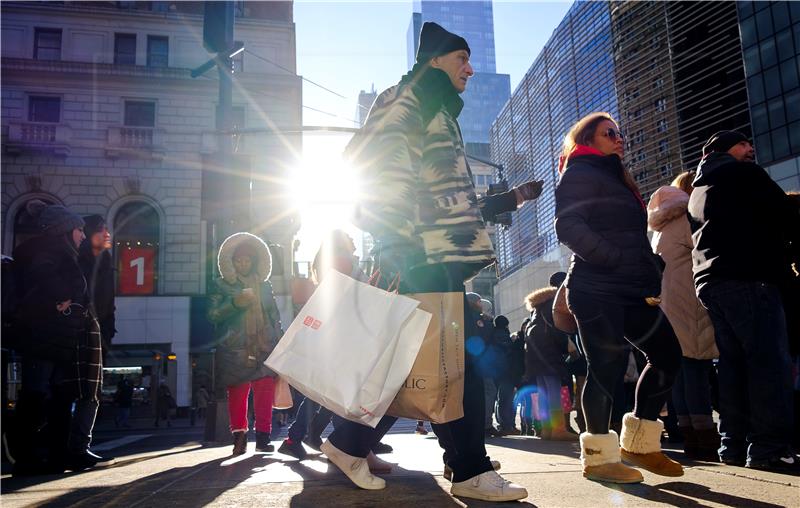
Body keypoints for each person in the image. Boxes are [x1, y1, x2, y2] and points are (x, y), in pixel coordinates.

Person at [325, 22, 544, 501]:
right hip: (419, 252)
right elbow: (378, 168)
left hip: (429, 250)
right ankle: (468, 466)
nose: (470, 68)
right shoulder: (409, 98)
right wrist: (397, 241)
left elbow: (443, 199)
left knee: (417, 359)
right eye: (461, 58)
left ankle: (349, 441)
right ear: (434, 60)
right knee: (452, 355)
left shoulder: (436, 109)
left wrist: (504, 202)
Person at [555, 112, 684, 484]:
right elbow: (567, 225)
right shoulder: (579, 171)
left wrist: (649, 269)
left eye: (619, 132)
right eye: (609, 132)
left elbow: (630, 235)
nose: (618, 137)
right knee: (606, 369)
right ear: (587, 139)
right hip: (595, 290)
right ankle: (597, 458)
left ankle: (641, 444)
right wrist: (612, 258)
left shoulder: (618, 178)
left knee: (667, 355)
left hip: (631, 291)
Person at [687, 131, 800, 471]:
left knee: (733, 367)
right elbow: (786, 216)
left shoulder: (698, 190)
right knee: (768, 365)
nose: (750, 148)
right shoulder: (743, 173)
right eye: (742, 144)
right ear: (723, 150)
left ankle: (732, 446)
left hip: (712, 283)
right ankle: (769, 448)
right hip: (751, 276)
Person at [11, 200, 113, 473]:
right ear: (65, 230)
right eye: (78, 230)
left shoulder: (61, 251)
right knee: (38, 394)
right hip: (44, 337)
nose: (82, 235)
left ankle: (54, 456)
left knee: (57, 395)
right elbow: (42, 274)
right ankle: (29, 457)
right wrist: (62, 297)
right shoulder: (51, 250)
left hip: (56, 338)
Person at [647, 172, 720, 460]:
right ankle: (705, 436)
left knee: (681, 372)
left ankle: (690, 435)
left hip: (669, 303)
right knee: (698, 368)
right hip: (690, 299)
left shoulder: (661, 228)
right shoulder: (688, 220)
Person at [207, 232, 283, 455]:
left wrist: (279, 344)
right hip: (235, 348)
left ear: (255, 260)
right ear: (230, 262)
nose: (243, 264)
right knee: (238, 394)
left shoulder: (265, 285)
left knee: (264, 391)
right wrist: (235, 303)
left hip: (264, 345)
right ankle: (239, 439)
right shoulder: (220, 285)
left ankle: (263, 438)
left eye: (247, 260)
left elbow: (274, 317)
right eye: (238, 260)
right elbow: (212, 315)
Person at [522, 281, 577, 442]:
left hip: (536, 361)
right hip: (550, 359)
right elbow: (559, 333)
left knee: (544, 394)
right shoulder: (550, 310)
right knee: (554, 394)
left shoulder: (536, 314)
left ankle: (547, 429)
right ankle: (559, 430)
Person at [78, 215, 115, 363]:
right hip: (82, 334)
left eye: (107, 229)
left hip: (102, 332)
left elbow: (109, 301)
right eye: (101, 229)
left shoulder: (106, 261)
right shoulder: (79, 262)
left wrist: (108, 328)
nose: (107, 234)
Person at [492, 315, 519, 435]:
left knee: (500, 400)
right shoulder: (503, 336)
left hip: (496, 372)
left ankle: (504, 425)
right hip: (506, 373)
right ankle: (507, 425)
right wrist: (513, 342)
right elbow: (509, 353)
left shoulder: (492, 334)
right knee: (506, 400)